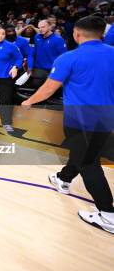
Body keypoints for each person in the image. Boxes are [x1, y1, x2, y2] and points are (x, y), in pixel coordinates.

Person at [22, 16, 114, 234]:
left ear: (76, 34)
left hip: (80, 119)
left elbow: (48, 89)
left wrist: (28, 102)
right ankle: (63, 179)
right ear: (102, 33)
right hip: (106, 118)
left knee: (88, 162)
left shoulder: (68, 57)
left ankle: (108, 214)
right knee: (84, 153)